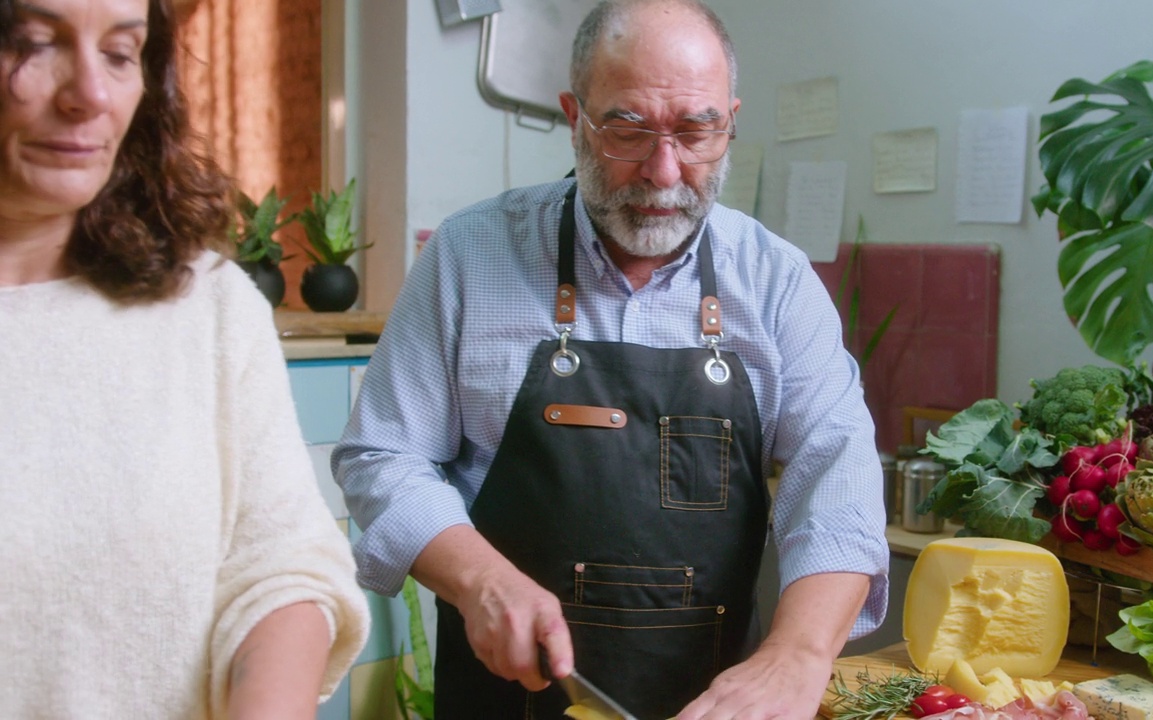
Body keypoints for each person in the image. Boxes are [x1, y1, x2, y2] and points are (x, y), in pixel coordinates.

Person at [334, 0, 887, 717]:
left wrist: (798, 655)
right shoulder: (470, 257)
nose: (663, 172)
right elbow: (383, 456)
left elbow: (838, 487)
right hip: (509, 696)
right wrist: (480, 583)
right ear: (575, 117)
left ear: (729, 121)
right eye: (627, 128)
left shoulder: (776, 283)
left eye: (696, 130)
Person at [0, 0, 369, 717]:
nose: (90, 96)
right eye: (34, 43)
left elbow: (283, 566)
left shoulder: (210, 307)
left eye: (118, 52)